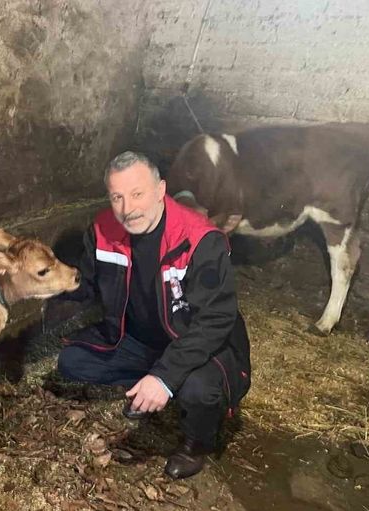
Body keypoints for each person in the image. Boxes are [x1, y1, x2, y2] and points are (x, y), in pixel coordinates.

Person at [56, 151, 251, 479]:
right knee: (72, 362)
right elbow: (85, 285)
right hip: (141, 341)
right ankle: (159, 385)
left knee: (199, 390)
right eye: (117, 197)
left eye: (137, 194)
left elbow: (215, 320)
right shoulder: (103, 230)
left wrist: (164, 377)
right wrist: (43, 279)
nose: (127, 209)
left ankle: (195, 444)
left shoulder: (200, 239)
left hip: (199, 343)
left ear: (161, 190)